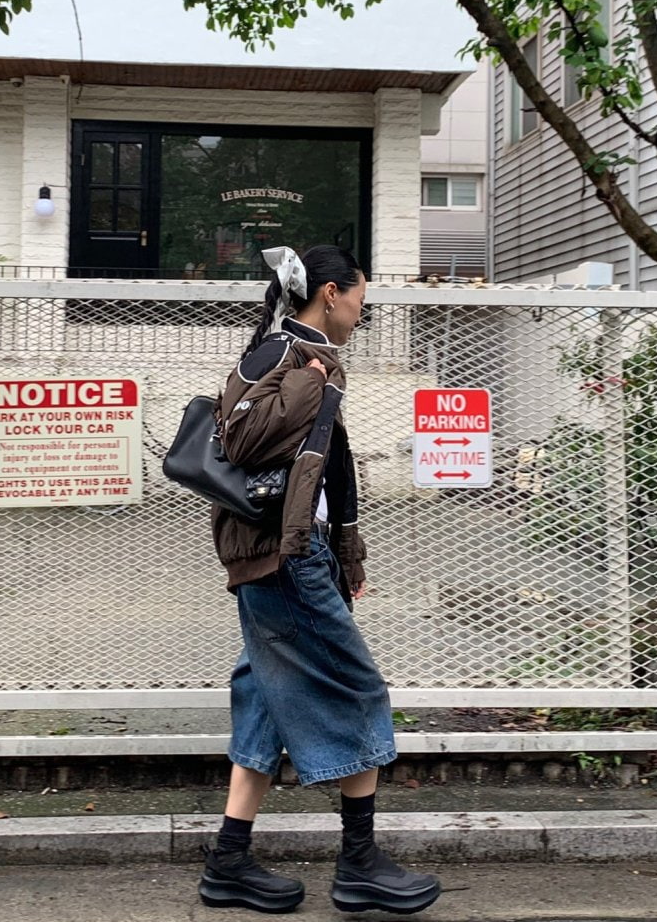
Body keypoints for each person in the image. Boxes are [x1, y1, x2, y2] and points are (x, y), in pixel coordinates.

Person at [199, 244, 441, 915]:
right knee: (357, 688)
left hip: (300, 553)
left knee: (266, 699)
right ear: (329, 292)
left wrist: (348, 555)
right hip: (283, 557)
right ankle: (360, 862)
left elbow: (330, 467)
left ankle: (228, 860)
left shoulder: (310, 357)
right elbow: (244, 443)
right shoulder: (282, 357)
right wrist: (312, 380)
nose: (362, 312)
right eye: (360, 299)